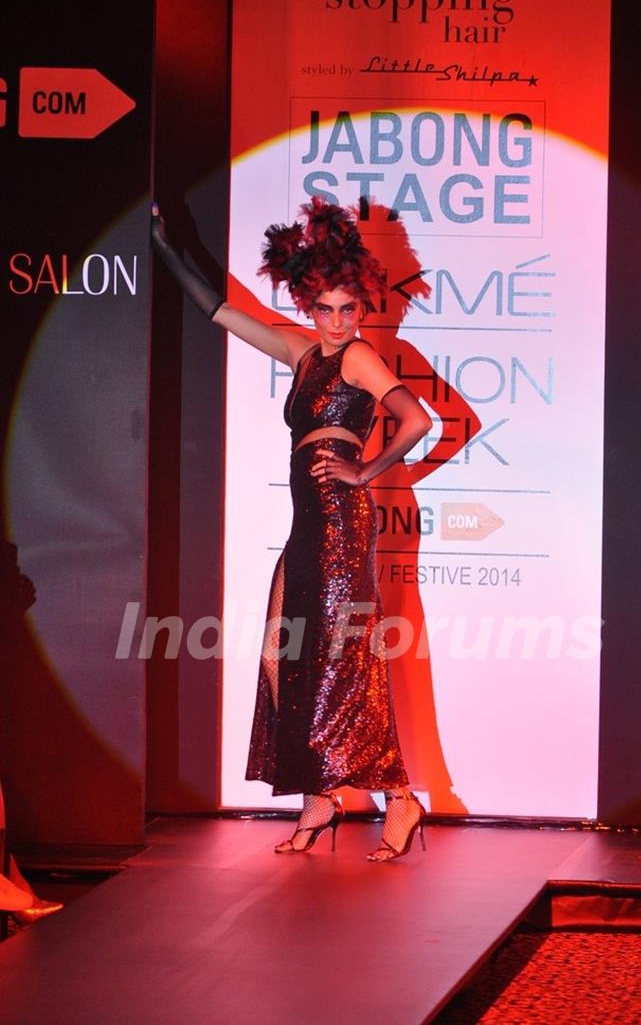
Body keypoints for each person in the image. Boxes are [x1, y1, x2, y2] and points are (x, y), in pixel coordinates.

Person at [152, 198, 432, 861]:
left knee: (345, 662)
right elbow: (219, 312)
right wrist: (165, 248)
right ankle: (319, 797)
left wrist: (367, 472)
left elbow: (417, 420)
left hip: (341, 524)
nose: (337, 323)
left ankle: (398, 797)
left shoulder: (359, 357)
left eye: (348, 310)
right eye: (325, 310)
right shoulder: (302, 351)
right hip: (308, 527)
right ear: (310, 308)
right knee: (288, 657)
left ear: (361, 308)